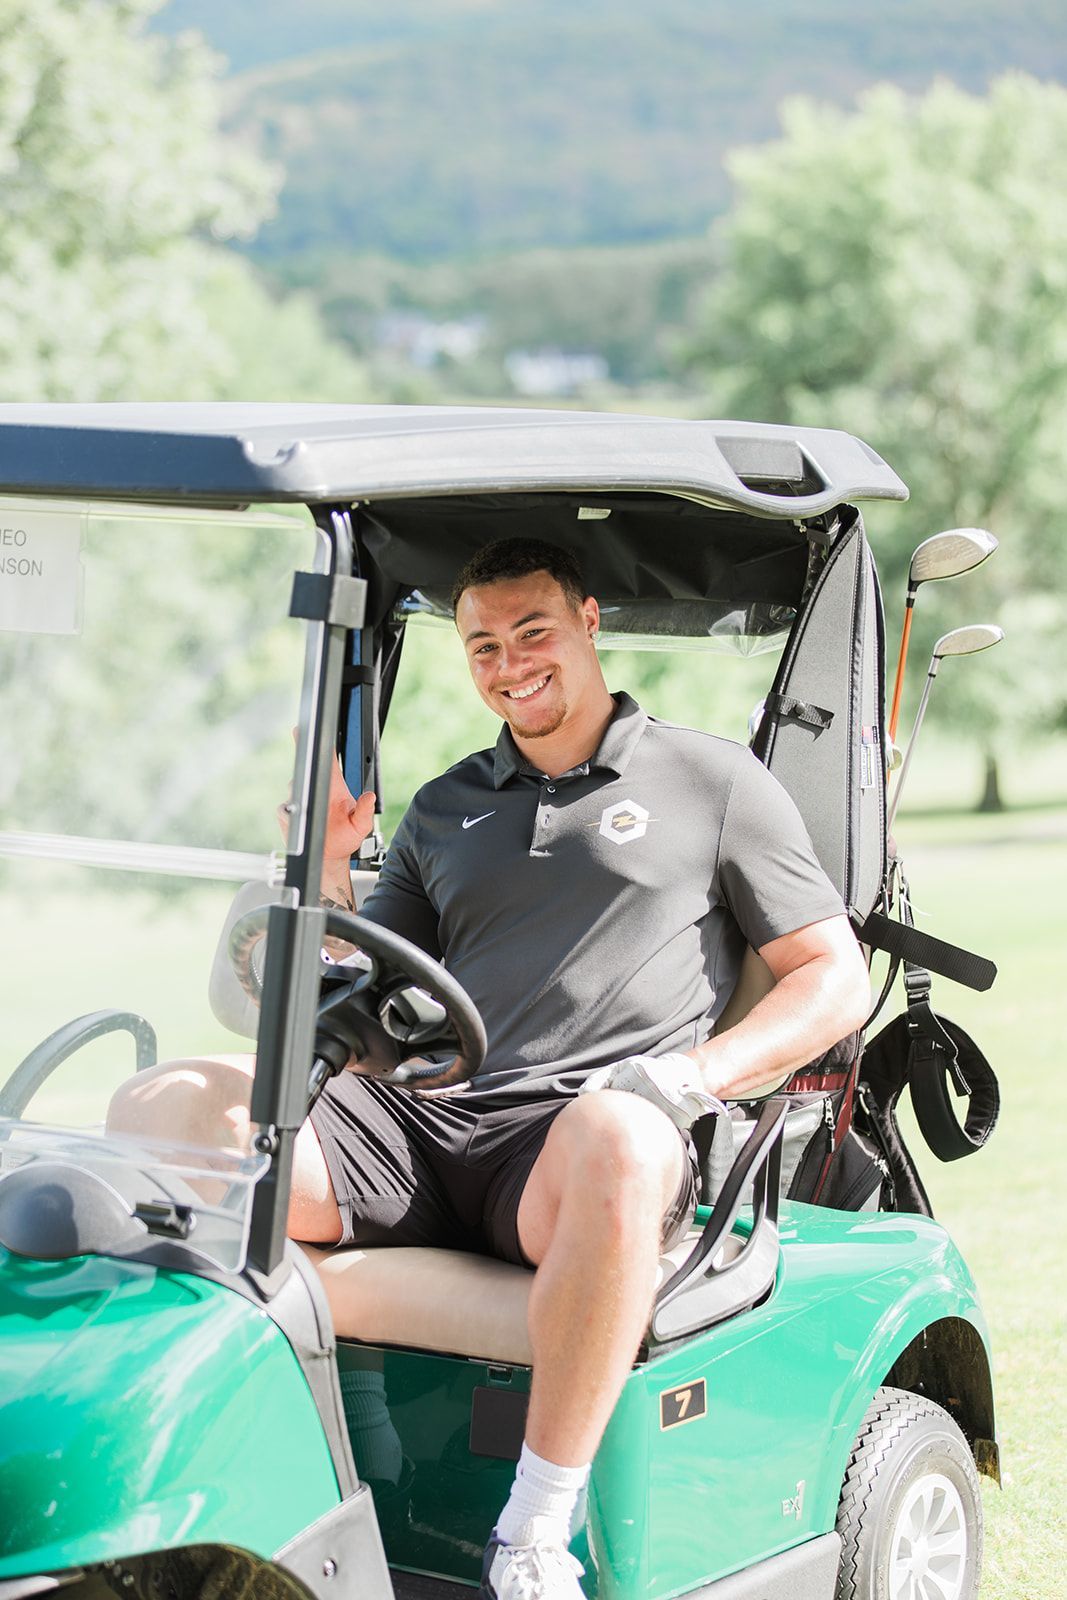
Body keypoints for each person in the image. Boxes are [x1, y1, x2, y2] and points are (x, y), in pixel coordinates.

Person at [109, 537, 870, 1600]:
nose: (509, 664)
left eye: (532, 633)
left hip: (579, 1138)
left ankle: (534, 1531)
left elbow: (832, 978)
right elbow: (365, 999)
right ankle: (285, 1453)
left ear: (589, 622)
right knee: (166, 1103)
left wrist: (687, 1077)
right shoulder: (443, 803)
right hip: (422, 1123)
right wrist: (327, 872)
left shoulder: (712, 781)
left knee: (619, 1134)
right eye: (482, 646)